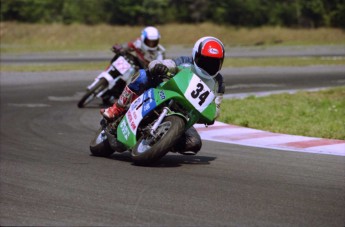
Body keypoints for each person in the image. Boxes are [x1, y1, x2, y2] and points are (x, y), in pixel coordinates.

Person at [101, 36, 225, 155]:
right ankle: (117, 108)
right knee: (143, 76)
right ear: (195, 55)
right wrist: (159, 66)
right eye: (205, 60)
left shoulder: (218, 83)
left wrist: (211, 115)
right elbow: (165, 63)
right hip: (164, 94)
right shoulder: (185, 62)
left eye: (214, 62)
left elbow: (216, 107)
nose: (209, 65)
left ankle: (162, 141)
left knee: (194, 143)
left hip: (186, 115)